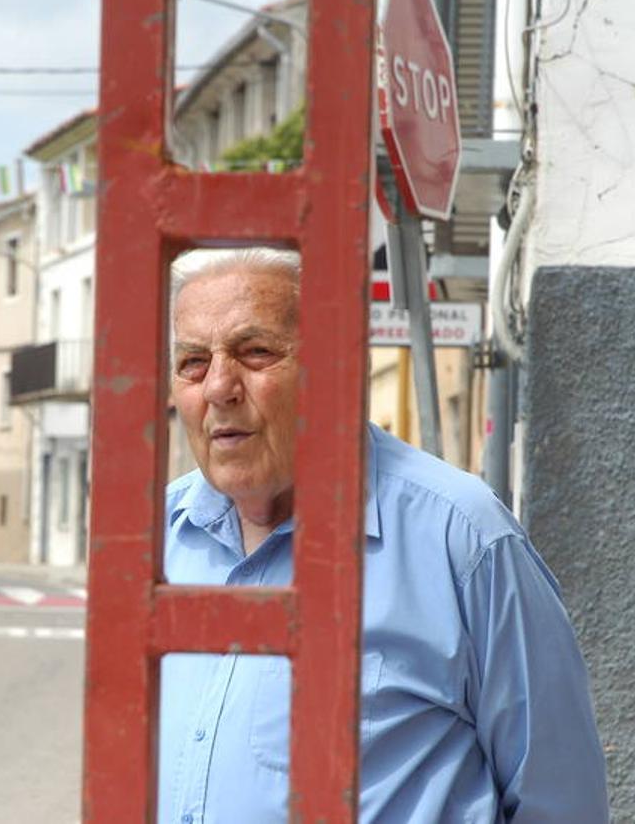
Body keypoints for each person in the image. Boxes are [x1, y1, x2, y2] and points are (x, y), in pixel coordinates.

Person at [158, 249, 609, 823]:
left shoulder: (461, 537)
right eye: (193, 362)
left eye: (256, 352)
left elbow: (560, 799)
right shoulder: (154, 539)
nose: (219, 386)